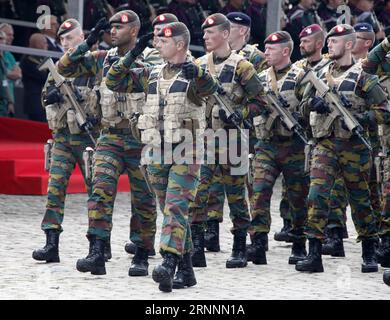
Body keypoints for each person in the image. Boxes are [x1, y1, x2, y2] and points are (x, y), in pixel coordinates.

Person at [106, 22, 217, 292]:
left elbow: (210, 87)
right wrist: (133, 53)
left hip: (185, 151)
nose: (158, 45)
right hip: (156, 151)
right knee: (169, 208)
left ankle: (168, 261)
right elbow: (114, 80)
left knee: (176, 207)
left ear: (180, 45)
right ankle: (187, 269)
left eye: (164, 42)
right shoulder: (152, 74)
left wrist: (198, 73)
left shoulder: (194, 74)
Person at [58, 11, 157, 277]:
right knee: (99, 192)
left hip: (141, 138)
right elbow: (64, 68)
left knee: (144, 199)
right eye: (110, 27)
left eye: (119, 27)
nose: (112, 31)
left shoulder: (152, 59)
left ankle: (141, 252)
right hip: (109, 136)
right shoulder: (103, 59)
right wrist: (87, 41)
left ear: (134, 31)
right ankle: (97, 251)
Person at [296, 24, 389, 274]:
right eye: (329, 41)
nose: (329, 45)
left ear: (349, 45)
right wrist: (314, 104)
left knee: (360, 201)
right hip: (325, 144)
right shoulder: (320, 73)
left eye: (335, 42)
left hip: (354, 147)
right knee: (316, 196)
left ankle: (369, 251)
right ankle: (314, 251)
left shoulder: (363, 75)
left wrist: (359, 116)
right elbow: (301, 105)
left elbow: (383, 110)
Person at [189, 13, 263, 269]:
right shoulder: (199, 65)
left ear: (224, 33)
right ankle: (196, 248)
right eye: (204, 33)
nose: (206, 37)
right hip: (205, 139)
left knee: (236, 196)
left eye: (211, 33)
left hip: (232, 139)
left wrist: (239, 114)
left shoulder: (242, 66)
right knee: (199, 194)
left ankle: (240, 247)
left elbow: (260, 102)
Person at [32, 19, 102, 264]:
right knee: (55, 190)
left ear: (82, 37)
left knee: (97, 193)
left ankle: (98, 244)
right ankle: (52, 243)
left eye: (70, 38)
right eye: (62, 39)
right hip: (62, 139)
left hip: (88, 140)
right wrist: (49, 97)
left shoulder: (94, 64)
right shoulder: (57, 69)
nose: (65, 43)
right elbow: (43, 99)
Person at [250, 30, 309, 266]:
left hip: (293, 145)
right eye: (265, 48)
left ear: (285, 51)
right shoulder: (261, 78)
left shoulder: (301, 77)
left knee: (297, 196)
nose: (266, 53)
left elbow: (309, 108)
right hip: (267, 145)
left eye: (271, 49)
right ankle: (258, 242)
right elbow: (251, 102)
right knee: (259, 192)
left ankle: (299, 242)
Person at [19, 33, 49, 122]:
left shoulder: (40, 58)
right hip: (34, 102)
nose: (47, 45)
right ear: (38, 44)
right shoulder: (28, 59)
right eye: (44, 43)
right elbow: (43, 77)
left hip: (42, 101)